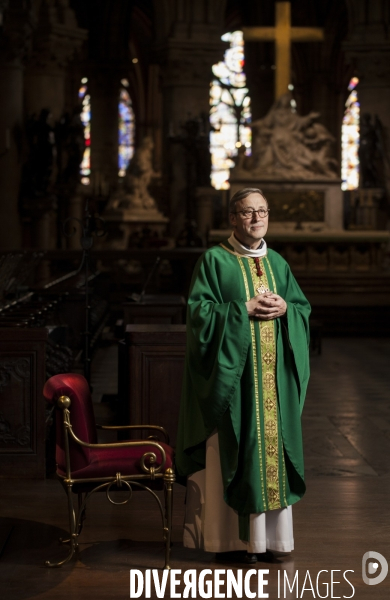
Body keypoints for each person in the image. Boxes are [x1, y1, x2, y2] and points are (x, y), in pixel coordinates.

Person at [176, 187, 311, 564]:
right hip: (234, 387)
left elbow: (302, 308)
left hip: (272, 387)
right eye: (248, 212)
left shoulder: (278, 264)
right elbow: (199, 315)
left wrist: (287, 308)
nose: (257, 219)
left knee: (270, 455)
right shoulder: (214, 261)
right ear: (233, 218)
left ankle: (272, 542)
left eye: (262, 211)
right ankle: (231, 544)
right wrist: (242, 309)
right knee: (234, 453)